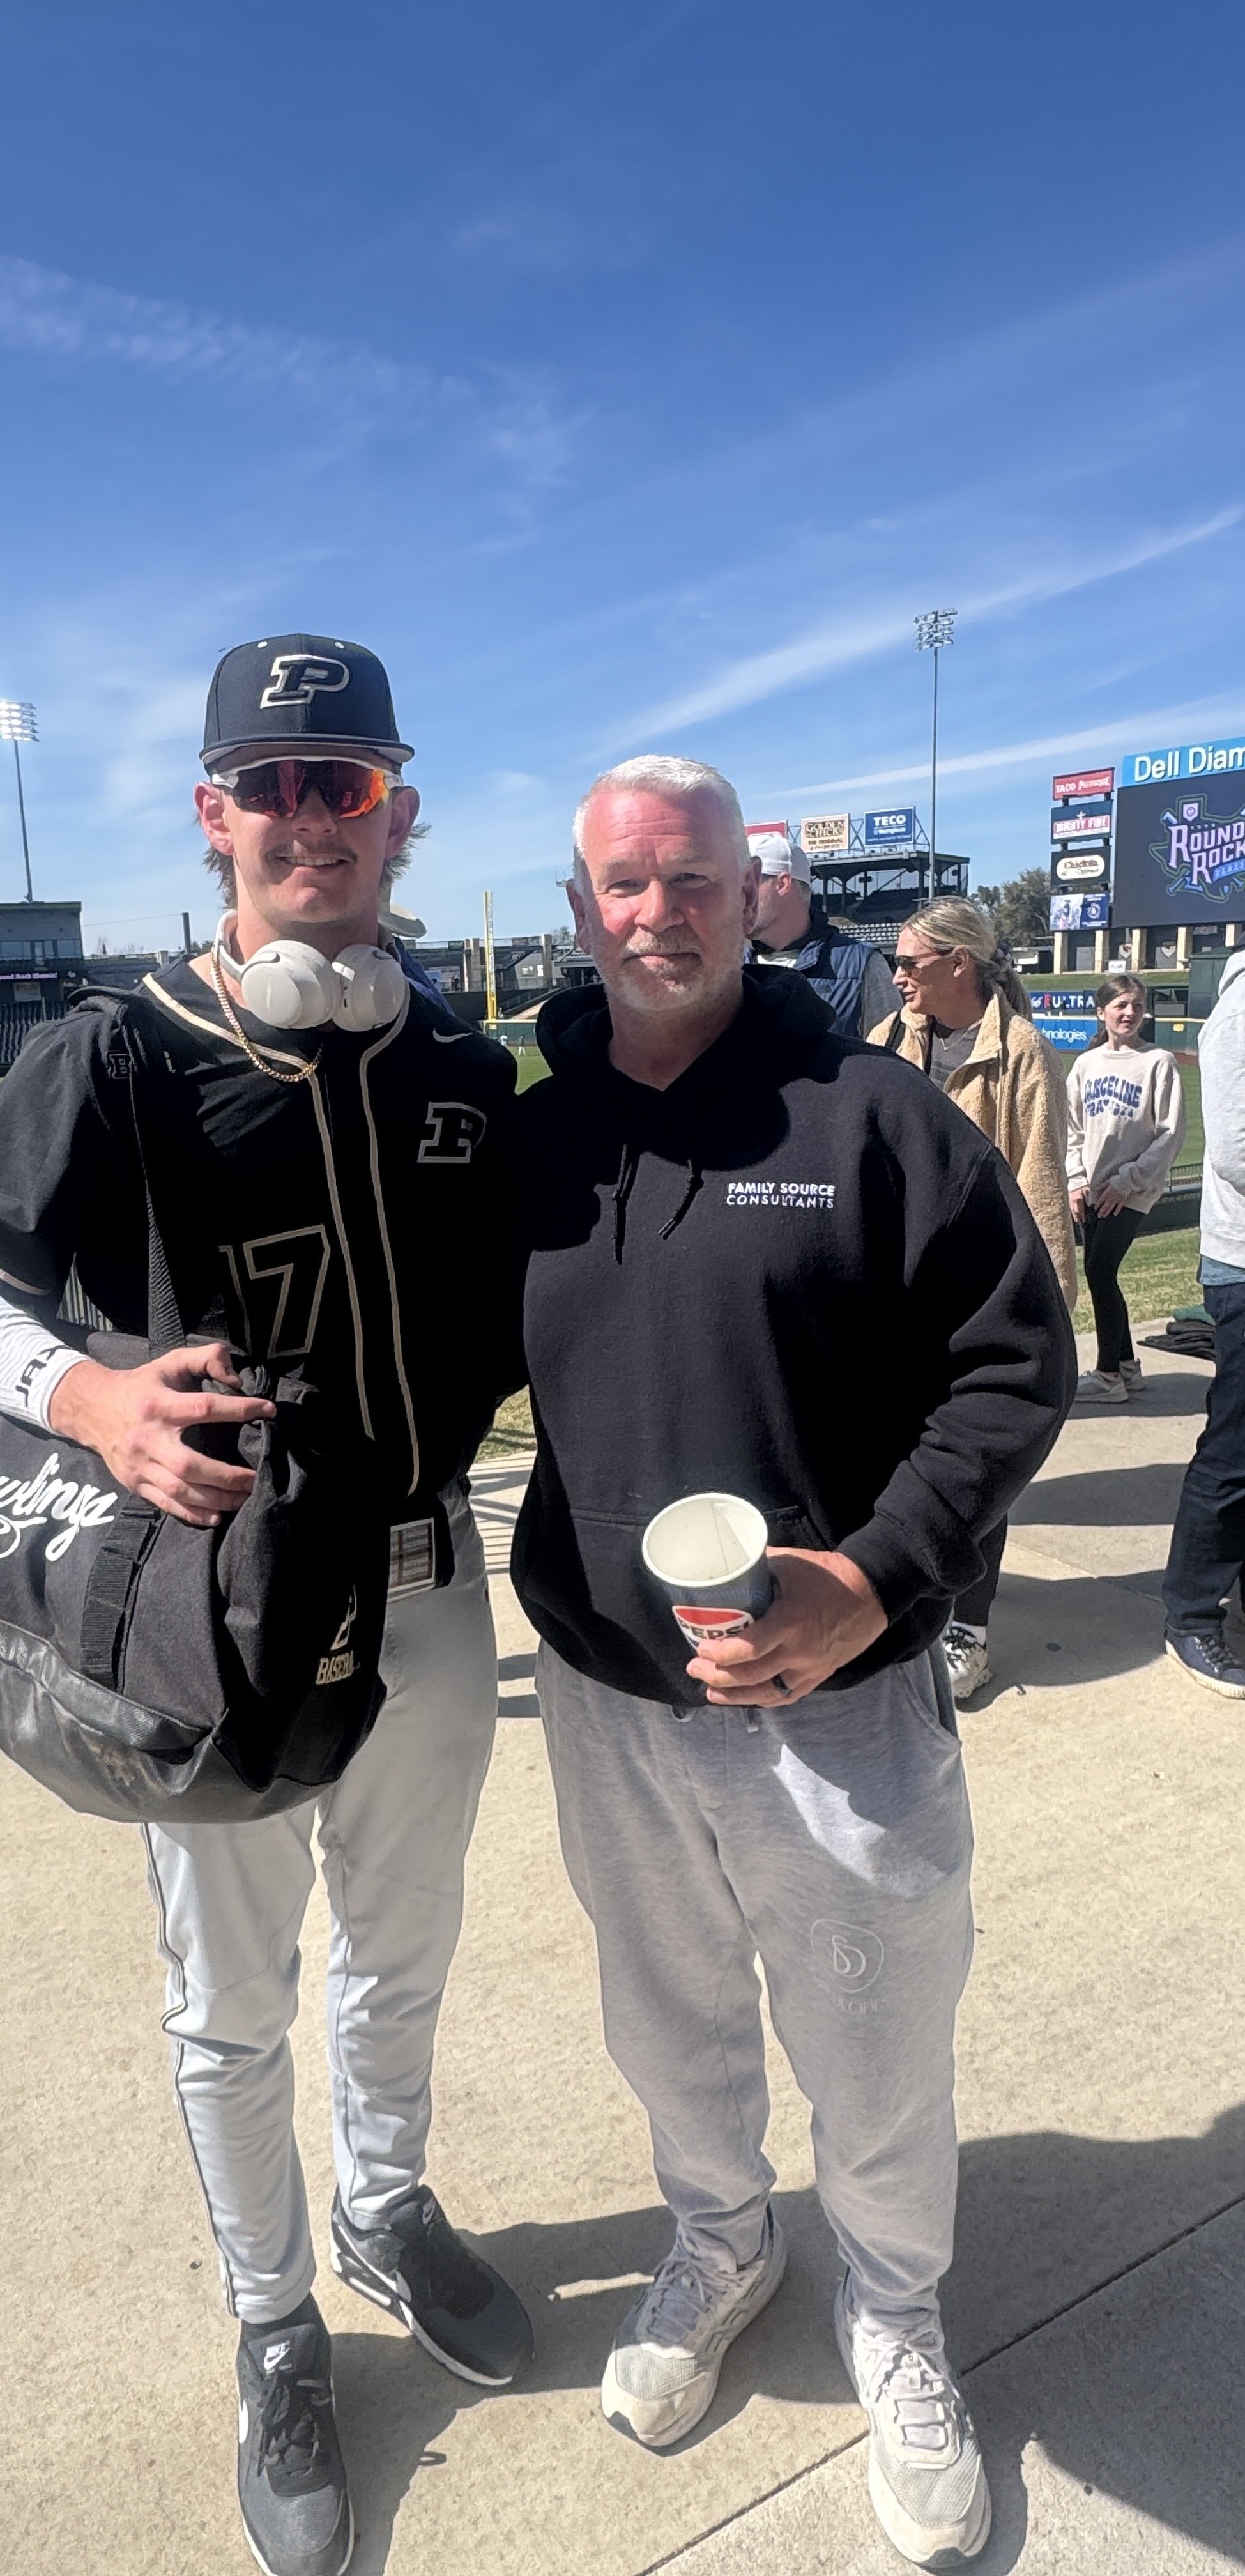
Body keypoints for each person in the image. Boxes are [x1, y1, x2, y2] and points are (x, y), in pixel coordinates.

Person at [0, 633, 531, 2576]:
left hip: (429, 1584)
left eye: (344, 780)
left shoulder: (462, 1062)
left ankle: (388, 2205)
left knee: (400, 1957)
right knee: (228, 2006)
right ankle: (274, 2325)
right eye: (270, 781)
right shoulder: (121, 1047)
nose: (307, 814)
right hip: (227, 1610)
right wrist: (82, 1394)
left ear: (395, 807)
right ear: (213, 816)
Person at [514, 756, 1074, 2570]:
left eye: (690, 879)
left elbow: (1013, 1366)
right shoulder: (541, 1131)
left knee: (875, 2039)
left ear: (750, 889)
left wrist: (870, 1569)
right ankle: (722, 2240)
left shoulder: (869, 1115)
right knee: (663, 2020)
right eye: (622, 883)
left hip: (836, 1699)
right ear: (579, 900)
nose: (655, 912)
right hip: (606, 1691)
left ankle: (894, 2309)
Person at [869, 898, 1075, 1703]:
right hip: (894, 1303)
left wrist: (1043, 1325)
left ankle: (970, 1631)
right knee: (901, 1464)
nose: (898, 978)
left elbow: (1043, 1191)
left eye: (911, 964)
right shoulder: (887, 1041)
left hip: (978, 1300)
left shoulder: (1021, 1052)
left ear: (961, 963)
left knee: (978, 1467)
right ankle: (912, 1600)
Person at [1161, 947, 1245, 1698]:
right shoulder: (1242, 1005)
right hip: (1243, 1264)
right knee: (1235, 1446)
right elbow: (1237, 1153)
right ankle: (1190, 1615)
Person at [1066, 975, 1186, 1404]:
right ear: (1102, 1012)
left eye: (1136, 1005)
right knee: (1103, 1273)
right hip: (1094, 1188)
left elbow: (1171, 1135)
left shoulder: (1159, 1062)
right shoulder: (1086, 1064)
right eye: (1120, 1005)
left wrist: (1128, 1181)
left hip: (1132, 1189)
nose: (1130, 1013)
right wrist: (1075, 1180)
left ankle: (1107, 1375)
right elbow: (1072, 1128)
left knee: (1099, 1271)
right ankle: (1128, 1366)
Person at [747, 826, 896, 1038]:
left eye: (749, 883)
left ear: (783, 884)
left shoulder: (862, 964)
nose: (739, 896)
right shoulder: (729, 965)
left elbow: (892, 1056)